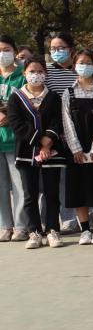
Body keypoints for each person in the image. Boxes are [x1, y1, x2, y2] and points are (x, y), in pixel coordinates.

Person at [7, 58, 68, 248]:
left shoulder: (54, 97)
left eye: (40, 71)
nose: (36, 75)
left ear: (46, 74)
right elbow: (17, 124)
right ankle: (34, 232)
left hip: (52, 151)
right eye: (32, 71)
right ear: (24, 73)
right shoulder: (16, 97)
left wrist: (48, 142)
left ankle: (53, 230)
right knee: (29, 194)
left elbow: (58, 121)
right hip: (26, 151)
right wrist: (39, 141)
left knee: (52, 193)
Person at [61, 49, 93, 244]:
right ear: (74, 66)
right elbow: (67, 122)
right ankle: (85, 229)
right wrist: (76, 148)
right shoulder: (68, 92)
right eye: (81, 62)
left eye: (89, 62)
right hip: (76, 150)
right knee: (78, 188)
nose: (84, 66)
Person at [0, 33, 27, 242]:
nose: (2, 54)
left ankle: (20, 226)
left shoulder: (23, 75)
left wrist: (10, 116)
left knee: (19, 186)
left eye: (6, 50)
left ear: (15, 52)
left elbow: (29, 102)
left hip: (16, 139)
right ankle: (4, 226)